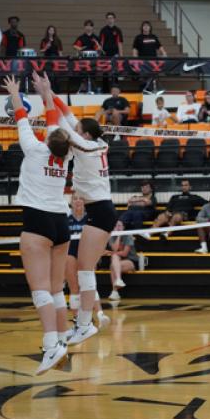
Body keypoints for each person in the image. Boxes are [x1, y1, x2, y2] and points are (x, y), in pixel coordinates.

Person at [2, 74, 71, 375]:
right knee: (56, 289)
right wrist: (46, 92)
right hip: (61, 221)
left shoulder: (34, 147)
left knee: (40, 290)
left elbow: (21, 116)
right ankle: (64, 338)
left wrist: (15, 92)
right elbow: (52, 118)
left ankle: (51, 344)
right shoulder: (65, 154)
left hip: (37, 221)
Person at [46, 75, 118, 347]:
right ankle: (85, 324)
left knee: (85, 271)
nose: (75, 130)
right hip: (100, 210)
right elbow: (71, 117)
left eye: (79, 129)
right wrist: (51, 94)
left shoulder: (86, 146)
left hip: (101, 211)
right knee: (85, 272)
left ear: (85, 134)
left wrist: (49, 96)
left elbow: (67, 124)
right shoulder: (98, 143)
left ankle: (85, 325)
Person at [65, 193, 110, 328]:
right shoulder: (65, 220)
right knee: (74, 287)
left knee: (88, 284)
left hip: (87, 252)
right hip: (69, 252)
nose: (78, 201)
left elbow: (102, 236)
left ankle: (100, 314)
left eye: (81, 199)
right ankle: (77, 320)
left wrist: (100, 249)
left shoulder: (90, 219)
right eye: (75, 199)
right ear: (71, 202)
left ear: (85, 202)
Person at [107, 220, 138, 301]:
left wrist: (120, 235)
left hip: (131, 261)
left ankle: (115, 291)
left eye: (120, 225)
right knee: (114, 260)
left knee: (113, 263)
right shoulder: (112, 236)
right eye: (116, 226)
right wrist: (118, 236)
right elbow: (115, 249)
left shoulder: (128, 235)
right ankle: (119, 280)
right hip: (119, 262)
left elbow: (124, 253)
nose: (118, 227)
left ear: (123, 227)